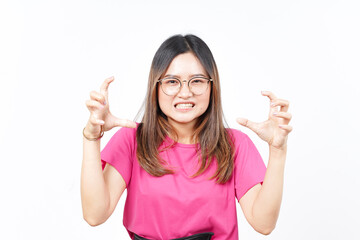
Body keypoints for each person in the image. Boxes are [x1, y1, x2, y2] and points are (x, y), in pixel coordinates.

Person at [81, 34, 293, 240]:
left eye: (197, 81)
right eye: (172, 81)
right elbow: (94, 215)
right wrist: (91, 139)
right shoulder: (132, 140)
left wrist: (278, 150)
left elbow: (264, 224)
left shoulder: (234, 144)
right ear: (156, 87)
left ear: (212, 86)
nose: (185, 93)